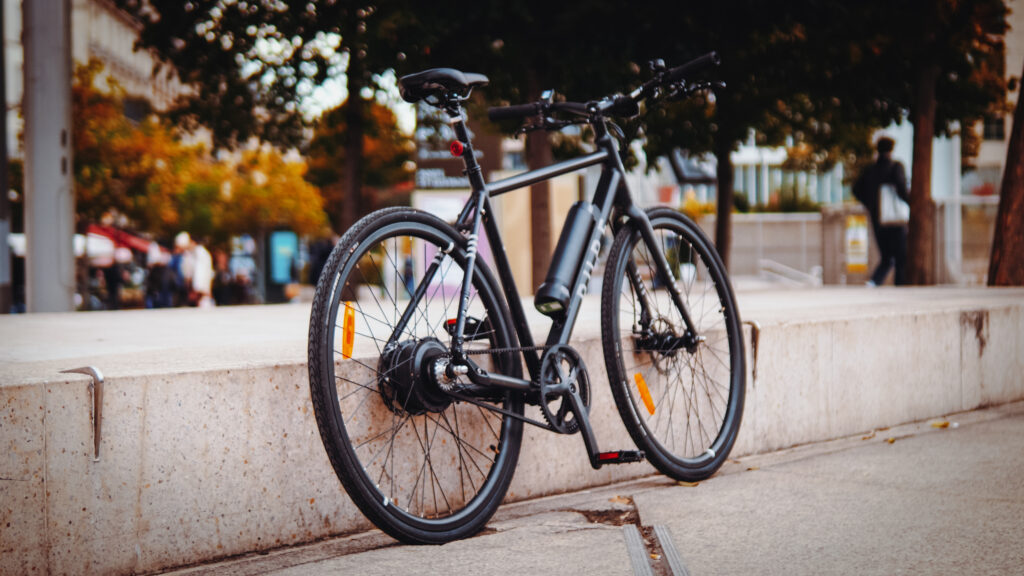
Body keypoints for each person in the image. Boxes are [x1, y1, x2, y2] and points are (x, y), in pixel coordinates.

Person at [853, 136, 910, 286]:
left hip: (877, 217)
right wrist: (909, 203)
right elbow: (902, 190)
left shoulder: (870, 170)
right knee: (900, 257)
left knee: (886, 256)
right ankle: (899, 286)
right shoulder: (895, 167)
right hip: (895, 219)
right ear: (891, 150)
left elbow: (856, 189)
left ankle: (874, 282)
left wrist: (870, 204)